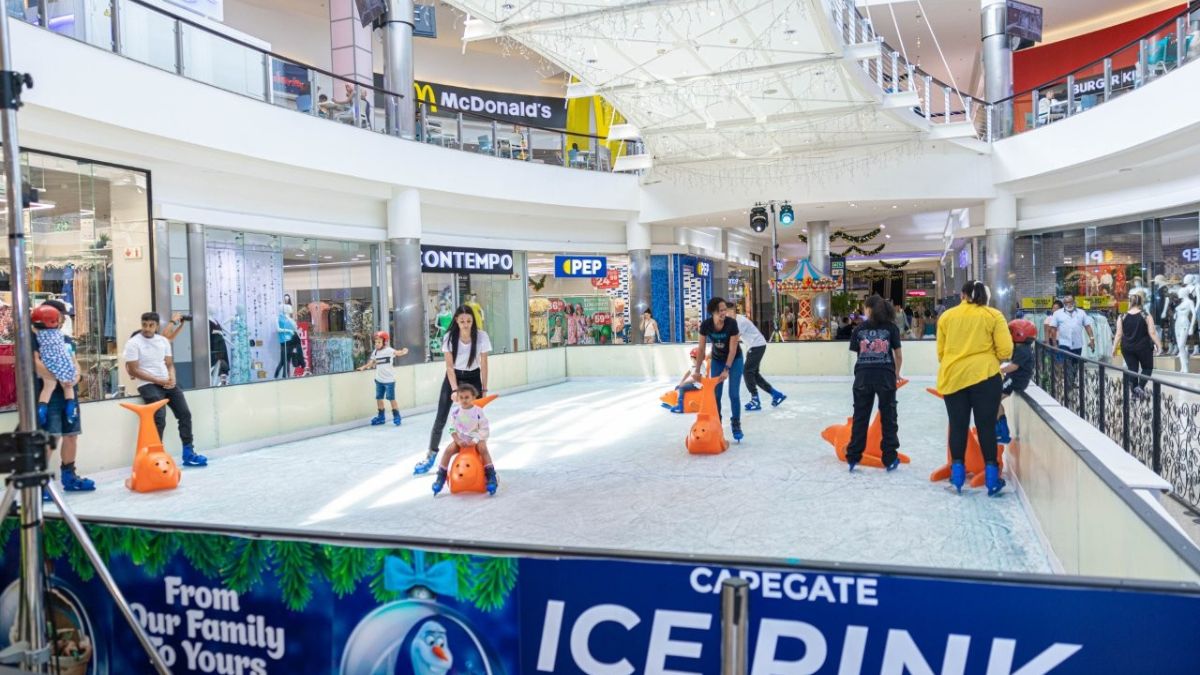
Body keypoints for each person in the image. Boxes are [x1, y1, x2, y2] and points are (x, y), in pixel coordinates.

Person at [937, 280, 1013, 496]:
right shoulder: (993, 316)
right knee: (986, 427)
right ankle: (992, 480)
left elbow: (941, 353)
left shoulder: (947, 317)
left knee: (958, 426)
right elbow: (1005, 350)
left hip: (953, 377)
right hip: (986, 377)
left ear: (962, 295)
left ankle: (958, 478)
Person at [123, 312, 208, 467]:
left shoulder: (163, 341)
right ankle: (156, 457)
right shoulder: (133, 343)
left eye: (151, 325)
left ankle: (188, 452)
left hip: (167, 382)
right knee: (159, 418)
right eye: (144, 325)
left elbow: (169, 364)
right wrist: (158, 380)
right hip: (147, 384)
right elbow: (134, 370)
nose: (147, 328)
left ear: (156, 326)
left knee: (185, 414)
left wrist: (172, 377)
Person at [415, 306, 491, 474]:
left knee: (475, 419)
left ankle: (479, 456)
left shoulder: (481, 336)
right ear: (456, 320)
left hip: (474, 378)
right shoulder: (449, 337)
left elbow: (484, 364)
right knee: (441, 418)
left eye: (469, 321)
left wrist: (484, 388)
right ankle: (431, 454)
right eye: (462, 321)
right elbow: (449, 367)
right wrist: (455, 390)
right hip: (453, 377)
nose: (465, 324)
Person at [32, 300, 95, 494]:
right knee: (51, 437)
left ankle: (70, 476)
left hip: (69, 393)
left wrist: (74, 377)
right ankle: (38, 483)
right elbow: (34, 364)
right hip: (48, 395)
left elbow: (75, 363)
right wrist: (58, 376)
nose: (60, 320)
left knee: (71, 435)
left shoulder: (66, 339)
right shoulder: (34, 339)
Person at [845, 295, 903, 472]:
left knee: (860, 416)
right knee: (889, 417)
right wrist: (896, 373)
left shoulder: (858, 329)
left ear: (869, 309)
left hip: (863, 376)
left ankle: (854, 456)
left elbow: (855, 355)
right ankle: (890, 457)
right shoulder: (892, 328)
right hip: (885, 376)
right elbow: (898, 355)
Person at [430, 384, 497, 495]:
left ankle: (490, 475)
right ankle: (441, 476)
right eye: (461, 397)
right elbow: (452, 428)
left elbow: (484, 428)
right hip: (462, 439)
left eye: (467, 397)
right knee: (448, 450)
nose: (464, 400)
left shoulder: (478, 411)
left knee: (483, 449)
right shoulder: (456, 413)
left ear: (473, 397)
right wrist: (457, 440)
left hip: (477, 437)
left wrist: (475, 440)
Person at [695, 297, 743, 442]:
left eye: (725, 310)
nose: (724, 313)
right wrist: (697, 370)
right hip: (717, 360)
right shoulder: (706, 325)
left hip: (735, 360)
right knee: (715, 395)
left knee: (733, 394)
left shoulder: (731, 324)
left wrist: (727, 369)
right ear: (713, 312)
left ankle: (736, 423)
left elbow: (733, 349)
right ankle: (717, 422)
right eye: (721, 310)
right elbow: (701, 349)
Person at [728, 305, 785, 410]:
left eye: (730, 312)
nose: (728, 314)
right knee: (754, 374)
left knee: (747, 372)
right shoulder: (733, 321)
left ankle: (755, 400)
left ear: (734, 312)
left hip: (757, 346)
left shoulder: (739, 322)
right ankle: (776, 394)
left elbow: (734, 340)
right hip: (755, 346)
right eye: (726, 312)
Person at [31, 304, 77, 428]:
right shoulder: (60, 335)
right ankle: (71, 410)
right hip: (63, 362)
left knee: (48, 387)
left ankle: (41, 410)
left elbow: (35, 328)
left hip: (48, 361)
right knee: (68, 387)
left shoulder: (37, 333)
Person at [1111, 293, 1163, 398]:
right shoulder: (1146, 315)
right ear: (1141, 303)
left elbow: (1118, 334)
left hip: (1127, 347)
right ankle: (1140, 387)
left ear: (1130, 302)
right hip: (1143, 347)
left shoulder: (1122, 316)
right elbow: (1152, 333)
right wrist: (1159, 346)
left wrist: (1113, 348)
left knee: (1132, 369)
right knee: (1147, 368)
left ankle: (1134, 394)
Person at [996, 319, 1037, 444]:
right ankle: (1000, 429)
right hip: (1014, 378)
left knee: (994, 400)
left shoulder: (1022, 350)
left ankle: (1003, 432)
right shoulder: (1021, 347)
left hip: (1016, 380)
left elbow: (1014, 366)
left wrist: (997, 370)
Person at [358, 331, 409, 426]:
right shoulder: (375, 352)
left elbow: (398, 353)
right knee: (379, 398)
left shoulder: (389, 350)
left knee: (391, 399)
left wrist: (403, 351)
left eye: (379, 342)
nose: (376, 344)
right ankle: (381, 417)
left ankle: (397, 416)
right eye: (375, 342)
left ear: (384, 342)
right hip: (379, 380)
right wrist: (363, 367)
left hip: (389, 381)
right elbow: (371, 362)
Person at [666, 347, 706, 413]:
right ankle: (674, 401)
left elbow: (694, 379)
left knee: (681, 387)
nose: (692, 361)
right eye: (692, 359)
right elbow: (687, 373)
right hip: (693, 383)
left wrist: (683, 383)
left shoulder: (701, 367)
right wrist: (681, 381)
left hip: (697, 385)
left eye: (693, 359)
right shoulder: (694, 365)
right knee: (678, 387)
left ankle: (680, 405)